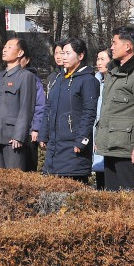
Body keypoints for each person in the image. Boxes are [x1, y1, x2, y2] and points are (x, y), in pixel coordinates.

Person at [94, 26, 134, 191]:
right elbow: (108, 110)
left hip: (129, 150)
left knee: (130, 196)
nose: (111, 47)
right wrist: (99, 138)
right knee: (111, 196)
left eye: (115, 43)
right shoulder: (114, 71)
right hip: (111, 146)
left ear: (128, 46)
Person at [40, 38, 99, 182]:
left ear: (81, 55)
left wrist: (81, 140)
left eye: (67, 53)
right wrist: (43, 133)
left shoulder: (88, 80)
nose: (63, 57)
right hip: (55, 144)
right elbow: (48, 107)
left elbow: (89, 112)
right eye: (61, 53)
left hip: (73, 145)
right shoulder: (58, 78)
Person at [0, 37, 38, 170]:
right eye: (5, 46)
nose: (5, 49)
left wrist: (19, 135)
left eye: (9, 47)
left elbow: (26, 108)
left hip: (12, 137)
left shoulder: (26, 76)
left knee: (14, 178)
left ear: (20, 53)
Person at [21, 51, 45, 173]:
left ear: (27, 60)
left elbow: (40, 104)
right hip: (11, 130)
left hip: (29, 130)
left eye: (21, 58)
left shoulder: (34, 80)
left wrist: (35, 128)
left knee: (29, 165)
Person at [90, 48, 111, 189]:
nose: (99, 62)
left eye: (103, 59)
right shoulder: (95, 81)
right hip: (95, 129)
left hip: (107, 131)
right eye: (98, 59)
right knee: (98, 170)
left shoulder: (113, 82)